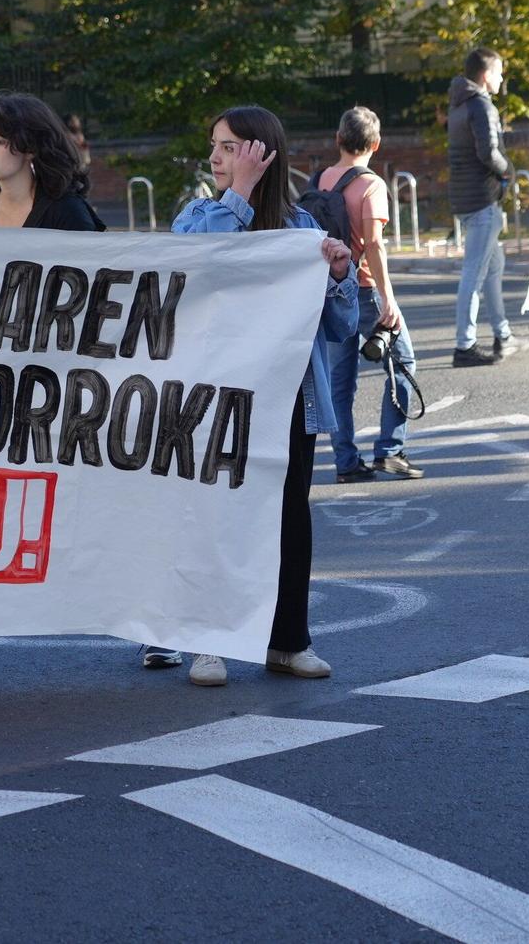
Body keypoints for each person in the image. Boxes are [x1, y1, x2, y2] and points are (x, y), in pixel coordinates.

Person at [169, 105, 357, 687]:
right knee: (216, 517)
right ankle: (209, 642)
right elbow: (199, 263)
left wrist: (340, 276)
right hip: (215, 397)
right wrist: (240, 195)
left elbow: (340, 328)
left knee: (288, 521)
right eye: (215, 146)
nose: (215, 158)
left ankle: (287, 640)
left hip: (287, 399)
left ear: (260, 152)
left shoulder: (302, 229)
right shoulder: (199, 215)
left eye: (228, 147)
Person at [0, 93, 112, 666]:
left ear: (28, 146)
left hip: (67, 387)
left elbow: (98, 303)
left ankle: (154, 624)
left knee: (94, 510)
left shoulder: (68, 213)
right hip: (1, 385)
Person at [317, 107, 423, 485]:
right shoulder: (372, 185)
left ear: (338, 139)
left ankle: (346, 462)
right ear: (376, 144)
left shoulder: (321, 180)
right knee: (404, 361)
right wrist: (387, 298)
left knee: (340, 380)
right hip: (362, 289)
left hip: (329, 291)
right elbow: (374, 245)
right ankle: (390, 451)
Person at [447, 47, 521, 366]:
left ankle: (503, 333)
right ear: (486, 75)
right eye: (500, 72)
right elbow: (488, 151)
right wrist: (509, 171)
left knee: (493, 267)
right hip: (482, 198)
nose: (502, 78)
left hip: (464, 197)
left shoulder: (458, 104)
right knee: (475, 273)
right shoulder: (481, 105)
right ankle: (464, 347)